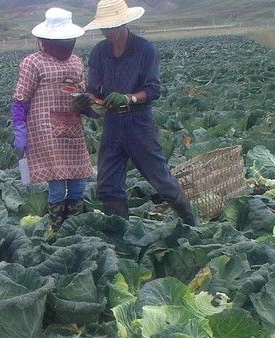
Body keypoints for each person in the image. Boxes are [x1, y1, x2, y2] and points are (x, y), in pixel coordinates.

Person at [80, 0, 198, 226]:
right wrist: (87, 99)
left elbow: (153, 90)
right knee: (108, 183)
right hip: (113, 124)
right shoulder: (99, 52)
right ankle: (119, 234)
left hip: (139, 123)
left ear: (123, 23)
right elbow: (93, 90)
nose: (106, 31)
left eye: (110, 26)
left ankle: (192, 225)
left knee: (160, 178)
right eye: (103, 27)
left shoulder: (144, 49)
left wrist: (128, 98)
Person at [12, 8, 95, 232]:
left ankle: (73, 227)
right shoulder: (33, 62)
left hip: (72, 127)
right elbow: (21, 99)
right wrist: (19, 129)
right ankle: (56, 228)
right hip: (44, 129)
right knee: (57, 181)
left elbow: (82, 94)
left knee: (78, 178)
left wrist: (89, 107)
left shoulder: (76, 62)